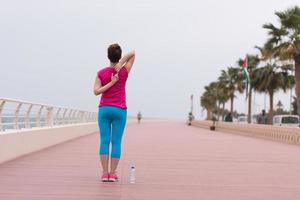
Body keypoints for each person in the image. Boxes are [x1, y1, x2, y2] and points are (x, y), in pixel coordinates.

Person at [93, 44, 135, 182]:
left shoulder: (101, 73)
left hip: (104, 109)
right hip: (119, 110)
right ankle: (113, 173)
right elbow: (133, 53)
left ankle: (105, 173)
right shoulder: (123, 72)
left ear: (107, 56)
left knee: (104, 141)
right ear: (119, 55)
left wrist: (109, 84)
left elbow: (96, 91)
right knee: (116, 142)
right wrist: (121, 63)